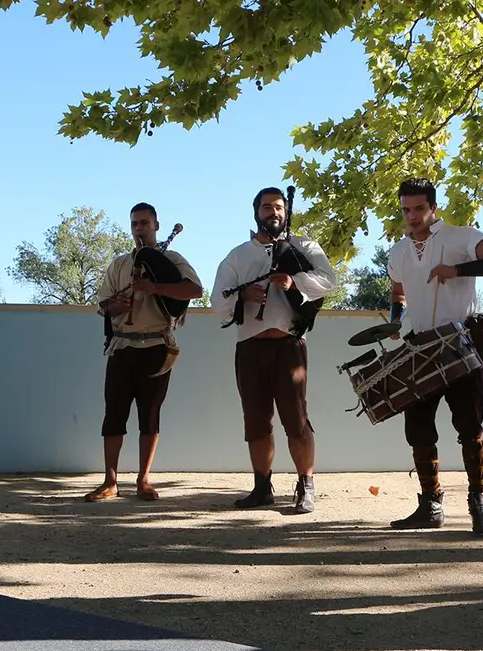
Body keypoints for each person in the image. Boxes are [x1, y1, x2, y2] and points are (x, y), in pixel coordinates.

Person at [384, 178, 483, 533]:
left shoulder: (462, 236)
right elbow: (398, 292)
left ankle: (478, 502)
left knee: (469, 426)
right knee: (418, 427)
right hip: (420, 344)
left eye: (419, 208)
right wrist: (395, 323)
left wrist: (457, 271)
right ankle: (431, 504)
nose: (412, 216)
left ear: (433, 207)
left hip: (461, 339)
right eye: (406, 209)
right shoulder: (397, 251)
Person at [211, 186, 337, 513]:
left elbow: (328, 280)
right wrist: (243, 297)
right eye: (267, 207)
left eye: (279, 207)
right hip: (250, 347)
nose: (274, 212)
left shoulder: (303, 246)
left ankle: (306, 485)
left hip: (289, 345)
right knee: (255, 421)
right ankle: (261, 487)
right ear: (256, 212)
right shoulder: (238, 255)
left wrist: (294, 283)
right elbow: (217, 302)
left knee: (296, 420)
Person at [88, 203, 203, 502]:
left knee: (149, 416)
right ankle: (110, 481)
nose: (139, 229)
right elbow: (104, 306)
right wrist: (118, 305)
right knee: (113, 414)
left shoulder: (173, 260)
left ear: (156, 225)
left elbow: (194, 290)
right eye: (135, 224)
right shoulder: (119, 265)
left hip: (156, 346)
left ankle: (144, 480)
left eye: (144, 223)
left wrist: (155, 288)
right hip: (122, 345)